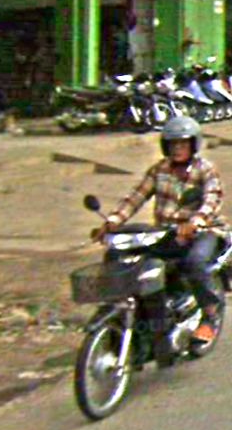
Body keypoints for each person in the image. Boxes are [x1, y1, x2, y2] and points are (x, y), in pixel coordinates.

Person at [93, 116, 228, 344]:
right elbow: (136, 197)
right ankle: (125, 307)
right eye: (173, 144)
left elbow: (211, 201)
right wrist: (113, 220)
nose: (177, 149)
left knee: (194, 262)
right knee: (118, 253)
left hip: (204, 231)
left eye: (183, 144)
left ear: (193, 144)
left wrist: (194, 222)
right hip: (165, 232)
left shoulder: (205, 170)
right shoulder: (159, 170)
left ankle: (209, 316)